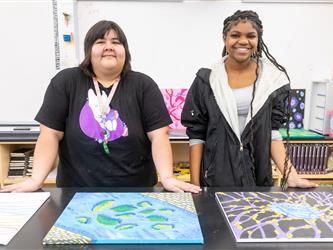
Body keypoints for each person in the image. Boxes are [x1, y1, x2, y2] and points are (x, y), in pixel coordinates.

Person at [1, 20, 201, 193]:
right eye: (100, 42)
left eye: (116, 42)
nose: (109, 46)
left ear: (125, 51)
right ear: (89, 51)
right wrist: (36, 179)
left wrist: (166, 177)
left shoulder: (143, 85)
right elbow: (49, 134)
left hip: (136, 192)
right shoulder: (66, 82)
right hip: (76, 193)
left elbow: (159, 136)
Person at [181, 10, 317, 188]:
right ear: (224, 38)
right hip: (215, 177)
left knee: (256, 216)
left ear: (258, 39)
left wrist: (291, 175)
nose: (243, 41)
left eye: (251, 36)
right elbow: (196, 136)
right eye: (235, 35)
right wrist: (194, 184)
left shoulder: (273, 80)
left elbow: (273, 134)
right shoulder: (207, 79)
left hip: (257, 175)